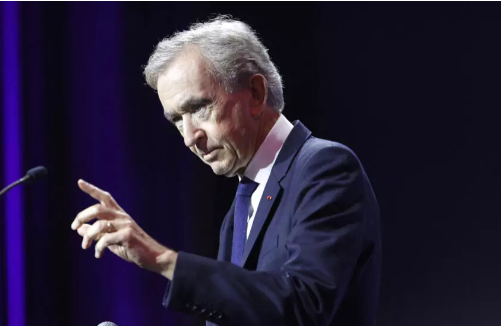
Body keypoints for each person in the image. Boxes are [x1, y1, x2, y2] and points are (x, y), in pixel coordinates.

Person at [70, 16, 381, 326]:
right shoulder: (240, 208)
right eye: (178, 120)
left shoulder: (325, 168)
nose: (190, 137)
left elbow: (303, 306)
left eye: (198, 108)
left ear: (256, 93)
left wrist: (162, 259)